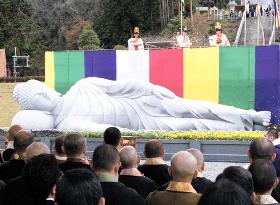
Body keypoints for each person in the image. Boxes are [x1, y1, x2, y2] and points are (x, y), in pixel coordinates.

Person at [12, 78, 271, 131]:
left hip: (141, 100)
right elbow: (109, 132)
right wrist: (138, 134)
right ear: (38, 108)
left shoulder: (83, 84)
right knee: (191, 123)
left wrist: (153, 88)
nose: (44, 95)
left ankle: (249, 115)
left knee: (195, 106)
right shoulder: (66, 122)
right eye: (37, 97)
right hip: (139, 121)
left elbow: (122, 86)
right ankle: (244, 129)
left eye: (41, 90)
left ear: (48, 89)